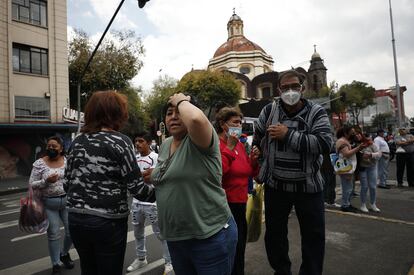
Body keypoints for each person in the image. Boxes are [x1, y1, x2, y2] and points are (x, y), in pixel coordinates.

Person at [64, 91, 155, 275]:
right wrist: (161, 192)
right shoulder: (120, 141)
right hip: (107, 222)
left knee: (88, 269)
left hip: (76, 219)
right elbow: (137, 188)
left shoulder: (77, 142)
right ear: (116, 113)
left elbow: (66, 183)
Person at [253, 69, 333, 275]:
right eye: (285, 87)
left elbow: (325, 143)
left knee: (313, 237)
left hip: (308, 188)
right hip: (276, 187)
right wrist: (258, 151)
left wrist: (288, 135)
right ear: (279, 90)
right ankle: (282, 271)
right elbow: (258, 136)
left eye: (294, 87)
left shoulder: (316, 112)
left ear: (302, 88)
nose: (290, 91)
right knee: (275, 236)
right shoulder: (269, 112)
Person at [148, 93, 238, 275]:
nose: (173, 117)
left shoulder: (200, 140)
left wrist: (181, 100)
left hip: (209, 238)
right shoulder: (165, 144)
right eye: (169, 113)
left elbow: (196, 119)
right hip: (176, 238)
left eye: (179, 112)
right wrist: (152, 176)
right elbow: (173, 174)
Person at [215, 107, 260, 275]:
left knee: (239, 249)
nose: (239, 126)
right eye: (235, 122)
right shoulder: (217, 145)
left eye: (240, 122)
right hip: (225, 207)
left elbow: (248, 172)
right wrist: (228, 148)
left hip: (241, 205)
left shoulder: (239, 145)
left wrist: (254, 161)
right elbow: (218, 174)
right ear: (222, 124)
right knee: (228, 252)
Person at [127, 132, 173, 274]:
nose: (138, 144)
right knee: (138, 233)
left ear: (148, 143)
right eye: (136, 141)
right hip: (136, 203)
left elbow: (161, 178)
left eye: (141, 141)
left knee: (161, 234)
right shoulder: (135, 158)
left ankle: (169, 261)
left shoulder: (156, 158)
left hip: (152, 204)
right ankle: (141, 258)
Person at [29, 136, 74, 274]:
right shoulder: (39, 163)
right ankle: (56, 263)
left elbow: (74, 177)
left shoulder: (67, 161)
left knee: (71, 232)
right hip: (49, 204)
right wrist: (46, 181)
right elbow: (32, 184)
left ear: (61, 149)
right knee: (54, 234)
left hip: (67, 202)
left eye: (54, 146)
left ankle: (64, 253)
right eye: (49, 146)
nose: (51, 148)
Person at [335, 126, 367, 212]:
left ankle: (347, 204)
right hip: (345, 168)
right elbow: (346, 154)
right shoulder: (342, 141)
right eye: (352, 132)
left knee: (349, 187)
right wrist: (358, 148)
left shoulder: (345, 141)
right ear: (346, 133)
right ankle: (345, 205)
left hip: (348, 167)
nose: (354, 134)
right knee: (347, 188)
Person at [357, 133, 381, 213]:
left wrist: (371, 155)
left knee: (373, 186)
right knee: (364, 186)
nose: (368, 139)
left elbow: (379, 154)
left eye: (369, 138)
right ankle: (363, 204)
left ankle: (373, 204)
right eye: (366, 138)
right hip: (363, 168)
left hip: (372, 167)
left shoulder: (372, 145)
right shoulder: (359, 145)